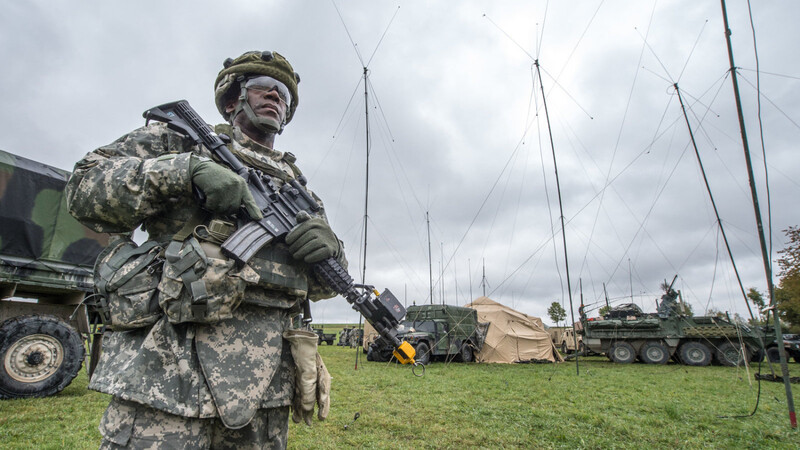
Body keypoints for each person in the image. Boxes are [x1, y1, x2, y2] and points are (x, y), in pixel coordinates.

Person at [66, 50, 345, 449]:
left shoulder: (300, 192)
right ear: (234, 100)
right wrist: (182, 172)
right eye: (263, 87)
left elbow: (324, 285)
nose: (276, 97)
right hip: (170, 368)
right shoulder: (181, 142)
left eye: (284, 93)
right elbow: (84, 188)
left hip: (265, 386)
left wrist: (331, 249)